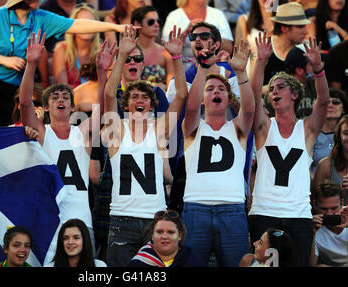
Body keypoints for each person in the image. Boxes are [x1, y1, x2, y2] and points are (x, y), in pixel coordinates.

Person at [0, 0, 133, 127]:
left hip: (12, 91)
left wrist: (117, 28)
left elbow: (77, 24)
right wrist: (4, 60)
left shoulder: (41, 18)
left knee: (3, 141)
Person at [19, 31, 114, 258]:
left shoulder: (81, 132)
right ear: (46, 107)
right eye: (55, 97)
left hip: (81, 216)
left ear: (73, 107)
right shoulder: (43, 132)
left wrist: (102, 73)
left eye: (65, 97)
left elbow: (103, 109)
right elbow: (24, 103)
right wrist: (31, 64)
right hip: (49, 218)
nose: (60, 100)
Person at [102, 25, 187, 267]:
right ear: (126, 105)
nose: (140, 101)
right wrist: (121, 55)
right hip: (122, 219)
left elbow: (181, 94)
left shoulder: (158, 129)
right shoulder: (117, 130)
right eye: (134, 97)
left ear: (151, 106)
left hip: (155, 220)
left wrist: (177, 58)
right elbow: (109, 94)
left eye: (145, 98)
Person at [249, 30, 330, 266]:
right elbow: (253, 99)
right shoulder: (265, 127)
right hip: (264, 212)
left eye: (280, 87)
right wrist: (260, 62)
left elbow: (323, 101)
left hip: (298, 215)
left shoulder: (306, 129)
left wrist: (318, 70)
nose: (274, 91)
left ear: (294, 94)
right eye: (272, 88)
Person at [181, 36, 254, 267]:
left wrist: (241, 73)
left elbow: (250, 109)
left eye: (221, 88)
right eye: (210, 89)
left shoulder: (238, 129)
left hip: (232, 209)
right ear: (203, 99)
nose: (216, 91)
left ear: (227, 97)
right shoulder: (192, 127)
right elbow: (190, 107)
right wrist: (203, 66)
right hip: (195, 208)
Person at [162, 0, 233, 70]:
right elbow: (167, 50)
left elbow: (229, 48)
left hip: (215, 68)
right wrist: (186, 32)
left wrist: (208, 33)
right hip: (185, 69)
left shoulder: (217, 14)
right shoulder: (174, 16)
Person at [261, 2, 310, 89]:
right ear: (284, 28)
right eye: (300, 26)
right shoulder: (263, 46)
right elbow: (252, 89)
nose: (306, 32)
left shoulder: (306, 48)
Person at [52, 4, 101, 88]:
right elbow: (63, 89)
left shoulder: (102, 51)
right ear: (72, 26)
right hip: (70, 100)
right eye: (82, 23)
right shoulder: (61, 49)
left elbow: (106, 87)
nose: (87, 27)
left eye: (91, 23)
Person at [127, 209, 199, 267]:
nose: (164, 236)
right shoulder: (138, 263)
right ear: (152, 236)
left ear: (179, 236)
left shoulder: (191, 260)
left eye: (170, 232)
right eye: (159, 232)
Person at [131, 5, 173, 91]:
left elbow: (172, 87)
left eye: (158, 21)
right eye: (151, 22)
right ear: (137, 24)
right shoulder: (127, 52)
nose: (156, 24)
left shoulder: (165, 53)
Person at [310, 180, 348, 266]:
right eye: (324, 209)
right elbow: (312, 264)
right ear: (315, 205)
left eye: (334, 208)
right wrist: (313, 232)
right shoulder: (313, 226)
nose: (329, 213)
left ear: (341, 203)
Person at [311, 88, 347, 175]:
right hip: (316, 185)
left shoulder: (346, 133)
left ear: (344, 108)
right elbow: (304, 167)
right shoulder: (310, 132)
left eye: (336, 102)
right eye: (326, 102)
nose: (330, 105)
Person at [313, 115, 348, 205]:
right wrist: (340, 192)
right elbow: (315, 204)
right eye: (346, 133)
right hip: (334, 218)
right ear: (338, 136)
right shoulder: (325, 165)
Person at [284, 46, 317, 119]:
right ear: (299, 70)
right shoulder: (280, 92)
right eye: (312, 64)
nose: (316, 66)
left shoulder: (317, 86)